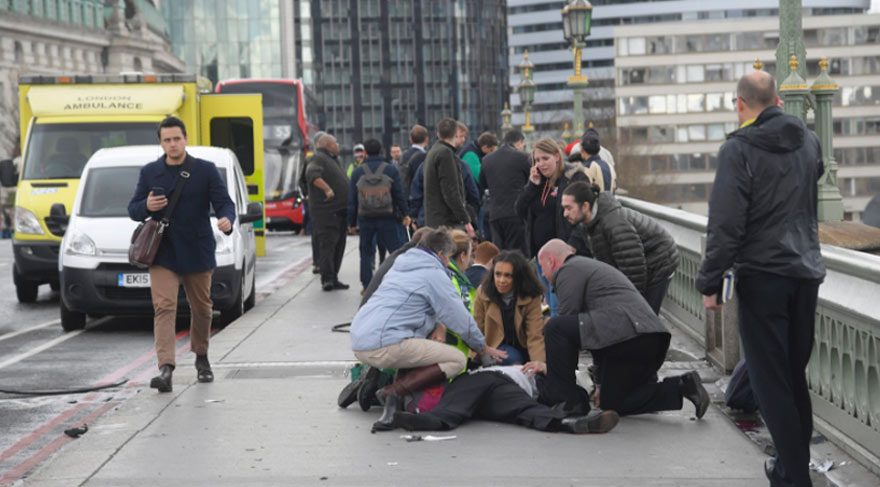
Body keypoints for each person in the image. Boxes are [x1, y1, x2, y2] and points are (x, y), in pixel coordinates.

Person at [696, 71, 825, 487]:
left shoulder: (739, 149)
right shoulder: (809, 141)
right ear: (779, 102)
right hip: (805, 273)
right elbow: (814, 177)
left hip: (763, 275)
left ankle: (793, 480)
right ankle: (789, 468)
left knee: (771, 385)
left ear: (740, 104)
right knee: (792, 376)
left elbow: (726, 223)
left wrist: (710, 282)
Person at [350, 229, 506, 431]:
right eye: (448, 258)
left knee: (416, 347)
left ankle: (391, 407)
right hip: (384, 343)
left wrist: (437, 325)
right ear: (441, 255)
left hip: (360, 339)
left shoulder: (401, 265)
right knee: (456, 359)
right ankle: (392, 392)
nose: (449, 263)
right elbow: (460, 319)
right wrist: (482, 349)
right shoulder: (434, 273)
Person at [537, 239, 710, 419]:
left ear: (551, 261)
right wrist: (599, 384)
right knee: (612, 402)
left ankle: (567, 402)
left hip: (629, 336)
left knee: (555, 327)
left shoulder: (568, 270)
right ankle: (683, 386)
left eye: (542, 268)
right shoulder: (591, 268)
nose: (542, 273)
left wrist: (555, 375)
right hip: (648, 340)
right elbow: (594, 334)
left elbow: (567, 326)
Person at [127, 116, 236, 392]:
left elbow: (224, 203)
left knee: (202, 308)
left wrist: (227, 220)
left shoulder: (205, 170)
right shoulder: (150, 172)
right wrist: (147, 205)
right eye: (167, 140)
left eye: (177, 138)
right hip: (163, 252)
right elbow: (133, 209)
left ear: (185, 139)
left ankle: (201, 356)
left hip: (197, 250)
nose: (172, 144)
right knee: (164, 307)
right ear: (161, 143)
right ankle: (166, 368)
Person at [338, 226, 433, 411]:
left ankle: (374, 375)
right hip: (382, 334)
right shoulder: (413, 264)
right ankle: (392, 385)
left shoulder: (398, 256)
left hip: (364, 329)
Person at [389, 365, 619, 434]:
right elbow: (573, 392)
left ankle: (428, 420)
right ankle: (567, 423)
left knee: (524, 408)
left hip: (490, 386)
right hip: (491, 382)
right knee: (525, 409)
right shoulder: (538, 375)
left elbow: (574, 394)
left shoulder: (540, 384)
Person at [562, 181, 679, 314]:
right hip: (642, 261)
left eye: (568, 208)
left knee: (644, 317)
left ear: (585, 206)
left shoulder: (614, 224)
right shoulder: (586, 224)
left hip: (659, 260)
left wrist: (629, 302)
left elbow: (634, 268)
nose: (565, 213)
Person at [515, 138, 588, 316]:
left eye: (545, 158)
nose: (541, 164)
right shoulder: (539, 182)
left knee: (560, 307)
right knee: (551, 302)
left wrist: (572, 244)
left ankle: (564, 342)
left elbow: (586, 214)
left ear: (557, 156)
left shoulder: (573, 177)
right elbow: (519, 210)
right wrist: (532, 185)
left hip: (563, 255)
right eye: (537, 160)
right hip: (542, 256)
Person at [347, 139, 410, 292]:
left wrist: (351, 223)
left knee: (366, 252)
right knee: (395, 251)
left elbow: (352, 200)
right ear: (382, 150)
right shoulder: (390, 170)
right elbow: (399, 194)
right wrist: (405, 214)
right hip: (387, 217)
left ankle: (367, 285)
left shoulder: (357, 172)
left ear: (365, 152)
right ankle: (398, 282)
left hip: (366, 218)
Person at [473, 251, 545, 366]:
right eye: (498, 274)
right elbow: (477, 328)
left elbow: (534, 334)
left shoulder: (530, 296)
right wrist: (481, 353)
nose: (501, 280)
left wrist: (538, 363)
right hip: (496, 347)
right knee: (511, 358)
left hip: (525, 345)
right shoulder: (483, 293)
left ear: (518, 277)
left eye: (508, 275)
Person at [305, 132, 350, 291]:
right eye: (335, 143)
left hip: (340, 212)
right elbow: (312, 174)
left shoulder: (332, 160)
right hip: (327, 213)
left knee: (338, 246)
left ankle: (334, 277)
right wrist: (327, 189)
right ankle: (327, 279)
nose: (338, 145)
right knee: (328, 246)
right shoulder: (318, 158)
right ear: (328, 145)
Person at [422, 118, 474, 237]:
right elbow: (450, 191)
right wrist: (465, 219)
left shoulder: (433, 151)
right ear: (456, 134)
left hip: (434, 220)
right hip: (446, 222)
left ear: (438, 134)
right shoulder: (446, 153)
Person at [480, 130, 530, 253]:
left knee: (500, 254)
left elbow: (483, 184)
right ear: (519, 142)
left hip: (495, 215)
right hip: (516, 214)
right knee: (518, 255)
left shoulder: (487, 160)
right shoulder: (523, 157)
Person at [580, 128, 617, 193]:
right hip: (609, 201)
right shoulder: (609, 165)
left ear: (582, 150)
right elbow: (614, 187)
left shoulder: (586, 168)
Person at [447, 229, 476, 311]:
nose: (470, 260)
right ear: (463, 256)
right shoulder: (456, 281)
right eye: (470, 254)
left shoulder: (441, 271)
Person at [399, 124, 429, 202]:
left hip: (406, 196)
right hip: (419, 198)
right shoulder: (425, 156)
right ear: (426, 139)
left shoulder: (403, 155)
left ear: (410, 140)